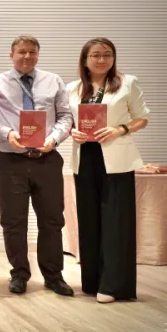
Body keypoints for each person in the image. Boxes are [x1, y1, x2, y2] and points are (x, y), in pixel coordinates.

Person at [0, 35, 74, 296]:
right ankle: (19, 274)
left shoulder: (53, 80)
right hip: (10, 160)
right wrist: (7, 133)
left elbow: (66, 116)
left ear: (38, 54)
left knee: (52, 220)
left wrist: (53, 138)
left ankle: (54, 275)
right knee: (13, 222)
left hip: (46, 159)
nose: (26, 56)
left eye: (32, 52)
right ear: (11, 55)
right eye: (21, 52)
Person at [67, 38, 149, 303]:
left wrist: (119, 129)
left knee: (116, 222)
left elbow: (142, 118)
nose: (101, 60)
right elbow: (68, 120)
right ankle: (92, 282)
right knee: (89, 221)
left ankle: (114, 285)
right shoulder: (73, 88)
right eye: (96, 55)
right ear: (85, 59)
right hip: (85, 158)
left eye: (107, 55)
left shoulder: (127, 83)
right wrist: (72, 131)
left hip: (117, 159)